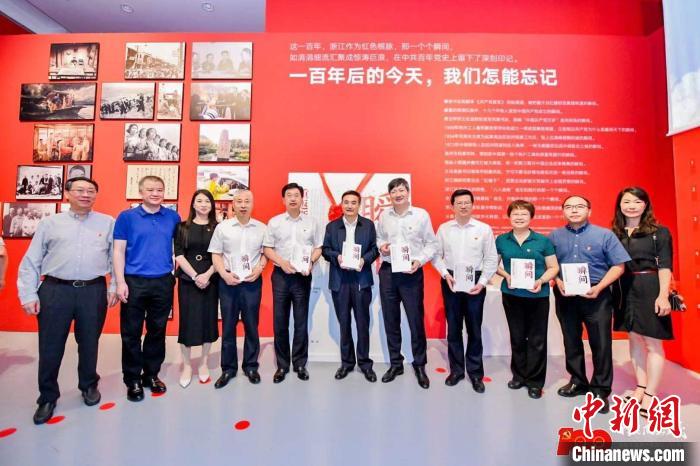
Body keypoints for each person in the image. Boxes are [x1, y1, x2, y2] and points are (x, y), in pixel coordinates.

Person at [17, 177, 118, 424]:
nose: (86, 194)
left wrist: (114, 285)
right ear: (68, 194)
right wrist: (28, 294)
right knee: (50, 346)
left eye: (91, 191)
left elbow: (115, 258)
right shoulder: (50, 223)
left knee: (90, 342)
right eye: (80, 190)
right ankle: (47, 396)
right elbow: (31, 261)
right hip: (55, 290)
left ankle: (88, 384)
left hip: (92, 290)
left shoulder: (107, 223)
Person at [549, 195, 630, 413]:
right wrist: (558, 281)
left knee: (601, 343)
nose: (574, 210)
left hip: (597, 294)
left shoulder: (605, 235)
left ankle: (601, 390)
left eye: (579, 206)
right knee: (571, 340)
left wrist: (600, 287)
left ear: (589, 211)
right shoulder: (554, 236)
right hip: (565, 293)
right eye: (569, 207)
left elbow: (619, 266)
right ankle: (578, 381)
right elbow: (550, 265)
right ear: (563, 211)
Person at [113, 176, 181, 402]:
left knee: (157, 331)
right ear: (140, 192)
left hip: (162, 282)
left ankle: (151, 375)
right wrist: (120, 282)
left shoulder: (173, 217)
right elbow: (118, 251)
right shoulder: (126, 217)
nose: (155, 193)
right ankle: (132, 379)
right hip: (134, 282)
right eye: (150, 189)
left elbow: (179, 249)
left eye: (159, 190)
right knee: (131, 333)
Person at [611, 187, 674, 417]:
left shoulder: (659, 232)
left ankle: (651, 394)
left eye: (637, 201)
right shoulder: (615, 233)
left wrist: (663, 295)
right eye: (627, 201)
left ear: (645, 205)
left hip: (650, 287)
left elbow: (665, 265)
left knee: (653, 343)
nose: (632, 206)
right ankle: (640, 386)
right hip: (624, 289)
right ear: (620, 205)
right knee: (634, 339)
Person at [432, 189, 498, 392]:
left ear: (472, 204)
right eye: (459, 203)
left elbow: (491, 258)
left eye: (467, 202)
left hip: (475, 281)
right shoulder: (444, 229)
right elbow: (436, 255)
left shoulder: (483, 229)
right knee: (453, 328)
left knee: (474, 329)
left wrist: (483, 282)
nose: (463, 206)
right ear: (452, 206)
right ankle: (457, 371)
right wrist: (445, 274)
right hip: (451, 279)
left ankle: (476, 374)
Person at [376, 177, 438, 389]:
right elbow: (378, 238)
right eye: (394, 191)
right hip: (388, 272)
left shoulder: (421, 215)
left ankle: (419, 364)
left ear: (408, 192)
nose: (398, 194)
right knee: (390, 320)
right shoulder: (384, 215)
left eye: (401, 190)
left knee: (415, 320)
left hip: (411, 272)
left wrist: (419, 261)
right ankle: (396, 364)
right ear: (390, 195)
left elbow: (431, 244)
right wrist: (382, 246)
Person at [495, 200, 559, 399]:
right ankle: (519, 376)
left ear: (531, 217)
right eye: (515, 214)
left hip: (537, 295)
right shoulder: (501, 240)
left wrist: (541, 281)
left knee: (537, 339)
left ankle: (535, 382)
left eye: (524, 214)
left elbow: (553, 267)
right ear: (509, 217)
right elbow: (493, 264)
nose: (519, 217)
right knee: (517, 337)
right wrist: (507, 276)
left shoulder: (543, 241)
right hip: (511, 295)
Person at [263, 182, 323, 383]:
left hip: (302, 276)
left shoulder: (312, 222)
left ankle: (299, 363)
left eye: (296, 195)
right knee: (280, 321)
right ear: (284, 199)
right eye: (289, 195)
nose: (293, 198)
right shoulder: (275, 222)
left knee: (301, 321)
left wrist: (311, 262)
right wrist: (281, 262)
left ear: (302, 198)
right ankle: (282, 365)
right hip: (281, 275)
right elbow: (267, 248)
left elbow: (318, 247)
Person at [210, 190, 267, 388]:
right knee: (228, 326)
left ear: (252, 204)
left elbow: (266, 253)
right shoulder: (223, 227)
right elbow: (215, 254)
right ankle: (228, 368)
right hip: (228, 282)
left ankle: (251, 366)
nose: (243, 205)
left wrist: (259, 269)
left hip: (252, 282)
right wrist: (224, 274)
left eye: (247, 201)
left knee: (252, 325)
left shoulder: (262, 228)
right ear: (233, 204)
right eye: (239, 201)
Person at [322, 190, 380, 382]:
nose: (349, 205)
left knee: (363, 323)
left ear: (359, 205)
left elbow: (375, 249)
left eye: (353, 202)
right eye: (346, 202)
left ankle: (365, 364)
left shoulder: (368, 225)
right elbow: (325, 250)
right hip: (340, 280)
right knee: (344, 323)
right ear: (342, 204)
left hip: (361, 279)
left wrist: (364, 260)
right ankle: (347, 363)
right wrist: (337, 257)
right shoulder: (332, 226)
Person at [174, 190, 219, 388]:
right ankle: (186, 365)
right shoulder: (182, 227)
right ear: (193, 204)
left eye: (207, 201)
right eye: (199, 201)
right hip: (187, 279)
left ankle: (203, 363)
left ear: (212, 205)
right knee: (188, 322)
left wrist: (207, 275)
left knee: (208, 321)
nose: (203, 204)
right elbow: (179, 254)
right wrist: (195, 276)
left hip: (211, 278)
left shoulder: (218, 227)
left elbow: (221, 255)